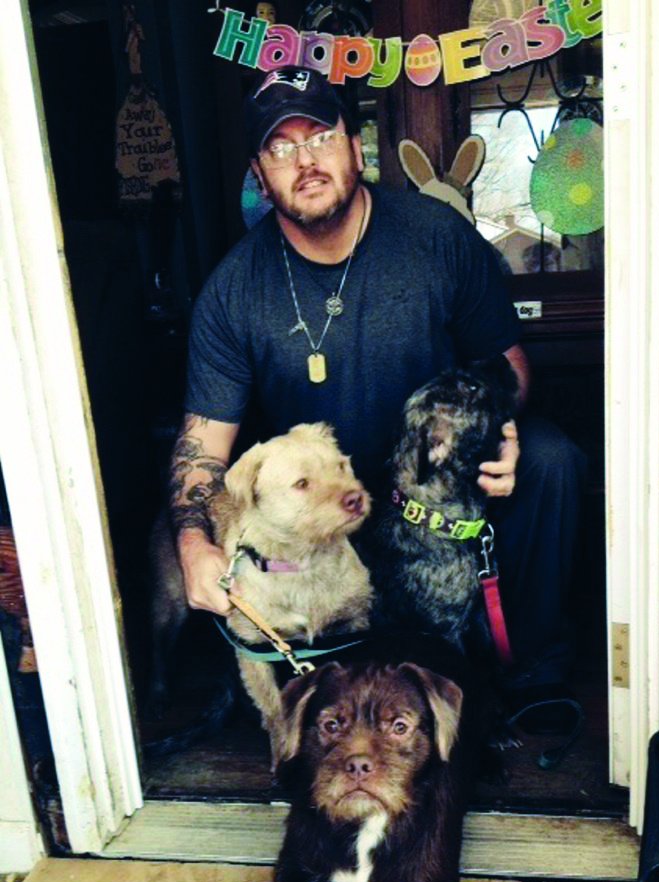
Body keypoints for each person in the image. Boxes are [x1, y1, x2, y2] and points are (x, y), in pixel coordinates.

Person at [170, 65, 587, 718]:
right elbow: (201, 450)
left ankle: (532, 671)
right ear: (258, 175)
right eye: (280, 147)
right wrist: (194, 546)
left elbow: (506, 365)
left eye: (320, 137)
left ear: (355, 149)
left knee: (548, 458)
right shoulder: (231, 292)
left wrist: (501, 429)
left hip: (433, 482)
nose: (305, 160)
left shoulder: (435, 236)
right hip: (329, 504)